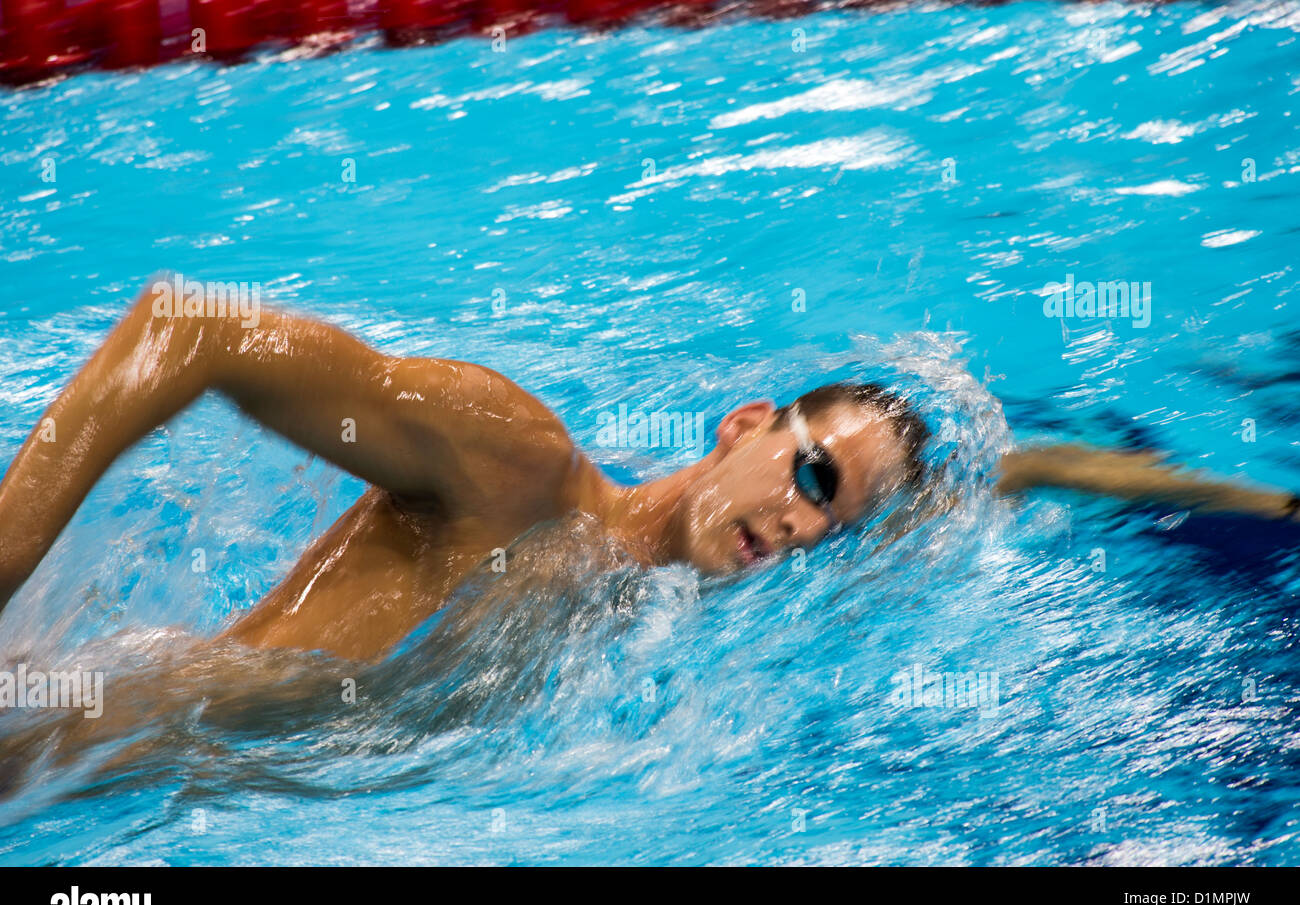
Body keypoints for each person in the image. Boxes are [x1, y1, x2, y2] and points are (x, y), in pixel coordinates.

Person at [1, 278, 1297, 661]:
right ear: (742, 426)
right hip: (91, 741)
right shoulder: (520, 466)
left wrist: (1255, 500)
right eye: (810, 479)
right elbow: (191, 329)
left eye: (835, 523)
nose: (804, 527)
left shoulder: (637, 599)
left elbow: (998, 477)